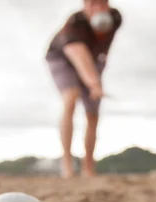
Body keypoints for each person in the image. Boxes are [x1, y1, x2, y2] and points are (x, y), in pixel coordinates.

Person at [45, 0, 122, 178]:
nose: (98, 8)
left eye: (102, 3)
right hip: (62, 57)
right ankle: (67, 165)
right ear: (85, 5)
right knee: (71, 97)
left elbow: (103, 45)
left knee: (93, 113)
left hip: (94, 60)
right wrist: (94, 84)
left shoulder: (116, 18)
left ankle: (88, 166)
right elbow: (78, 55)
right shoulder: (74, 24)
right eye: (92, 4)